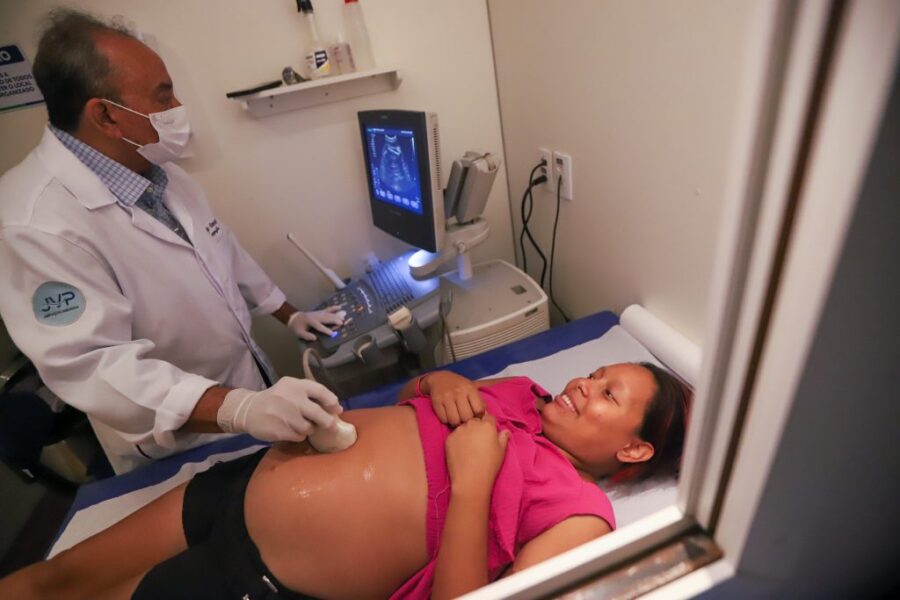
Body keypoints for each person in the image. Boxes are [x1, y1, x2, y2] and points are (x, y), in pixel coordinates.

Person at [0, 361, 691, 600]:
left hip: (265, 578)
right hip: (237, 485)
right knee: (57, 577)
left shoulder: (580, 514)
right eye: (595, 374)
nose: (583, 384)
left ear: (635, 448)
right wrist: (438, 380)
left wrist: (472, 482)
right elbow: (410, 404)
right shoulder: (519, 393)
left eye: (608, 395)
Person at [0, 9, 347, 473]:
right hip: (177, 443)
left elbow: (223, 249)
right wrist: (238, 407)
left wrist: (291, 314)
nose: (178, 107)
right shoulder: (33, 223)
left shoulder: (162, 175)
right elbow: (94, 366)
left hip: (244, 388)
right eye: (164, 96)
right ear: (106, 115)